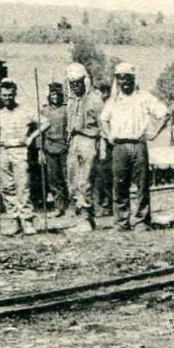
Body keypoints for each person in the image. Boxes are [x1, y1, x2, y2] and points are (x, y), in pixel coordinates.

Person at [100, 62, 171, 230]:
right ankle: (121, 222)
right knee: (119, 185)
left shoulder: (144, 97)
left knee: (142, 184)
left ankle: (141, 221)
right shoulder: (113, 101)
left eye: (127, 79)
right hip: (119, 147)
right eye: (120, 79)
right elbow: (103, 119)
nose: (124, 82)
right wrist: (109, 134)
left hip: (138, 145)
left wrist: (154, 133)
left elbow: (164, 114)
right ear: (117, 80)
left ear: (133, 79)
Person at [0, 79, 39, 235]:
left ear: (15, 94)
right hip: (4, 153)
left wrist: (31, 138)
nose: (7, 98)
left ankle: (28, 221)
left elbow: (45, 122)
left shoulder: (25, 111)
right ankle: (15, 221)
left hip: (20, 152)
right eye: (4, 95)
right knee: (7, 188)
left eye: (10, 95)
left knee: (23, 187)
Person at [63, 64, 104, 231]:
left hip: (89, 140)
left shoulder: (95, 99)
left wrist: (102, 147)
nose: (76, 86)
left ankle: (87, 218)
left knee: (85, 181)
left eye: (78, 82)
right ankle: (80, 216)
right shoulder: (72, 101)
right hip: (74, 142)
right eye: (72, 83)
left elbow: (103, 125)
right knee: (72, 180)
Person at [37, 81, 69, 215]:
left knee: (67, 177)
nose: (55, 96)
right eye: (53, 94)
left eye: (57, 93)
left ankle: (73, 206)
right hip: (49, 148)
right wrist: (40, 150)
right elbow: (40, 132)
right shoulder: (44, 111)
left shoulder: (67, 109)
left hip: (65, 147)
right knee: (53, 178)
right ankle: (59, 206)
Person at [94, 76, 115, 216]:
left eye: (104, 91)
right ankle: (99, 205)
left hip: (108, 143)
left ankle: (108, 205)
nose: (102, 94)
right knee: (96, 176)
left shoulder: (112, 105)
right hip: (96, 142)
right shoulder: (95, 104)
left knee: (107, 176)